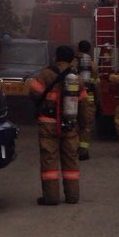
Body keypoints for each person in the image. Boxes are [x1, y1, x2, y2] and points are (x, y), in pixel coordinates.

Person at [28, 45, 86, 205]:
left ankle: (51, 198)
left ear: (56, 57)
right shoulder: (77, 78)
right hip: (70, 124)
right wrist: (83, 126)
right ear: (71, 59)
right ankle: (72, 197)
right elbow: (83, 105)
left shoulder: (46, 74)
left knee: (49, 162)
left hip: (48, 123)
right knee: (71, 162)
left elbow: (33, 93)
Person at [76, 39, 95, 161]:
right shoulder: (93, 65)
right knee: (86, 126)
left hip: (73, 98)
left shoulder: (72, 62)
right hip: (88, 99)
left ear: (78, 49)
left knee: (73, 124)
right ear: (89, 50)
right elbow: (97, 85)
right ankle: (83, 152)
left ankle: (71, 149)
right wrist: (99, 101)